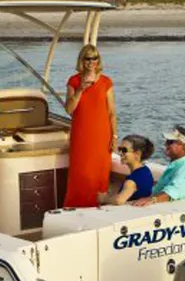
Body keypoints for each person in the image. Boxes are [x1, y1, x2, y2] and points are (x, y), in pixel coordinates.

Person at [62, 44, 118, 208]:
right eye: (88, 58)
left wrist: (114, 136)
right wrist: (80, 90)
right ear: (82, 60)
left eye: (95, 58)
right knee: (80, 174)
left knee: (99, 175)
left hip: (102, 135)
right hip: (82, 135)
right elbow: (69, 109)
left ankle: (97, 208)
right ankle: (76, 208)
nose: (91, 62)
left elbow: (112, 113)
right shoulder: (74, 81)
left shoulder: (106, 82)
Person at [132, 125, 185, 206]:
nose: (165, 144)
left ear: (182, 145)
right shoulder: (178, 165)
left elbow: (172, 192)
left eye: (170, 142)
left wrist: (152, 199)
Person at [98, 134, 155, 205]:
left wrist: (104, 198)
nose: (120, 153)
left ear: (137, 154)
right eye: (119, 149)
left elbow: (119, 200)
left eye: (124, 150)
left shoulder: (132, 180)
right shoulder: (146, 171)